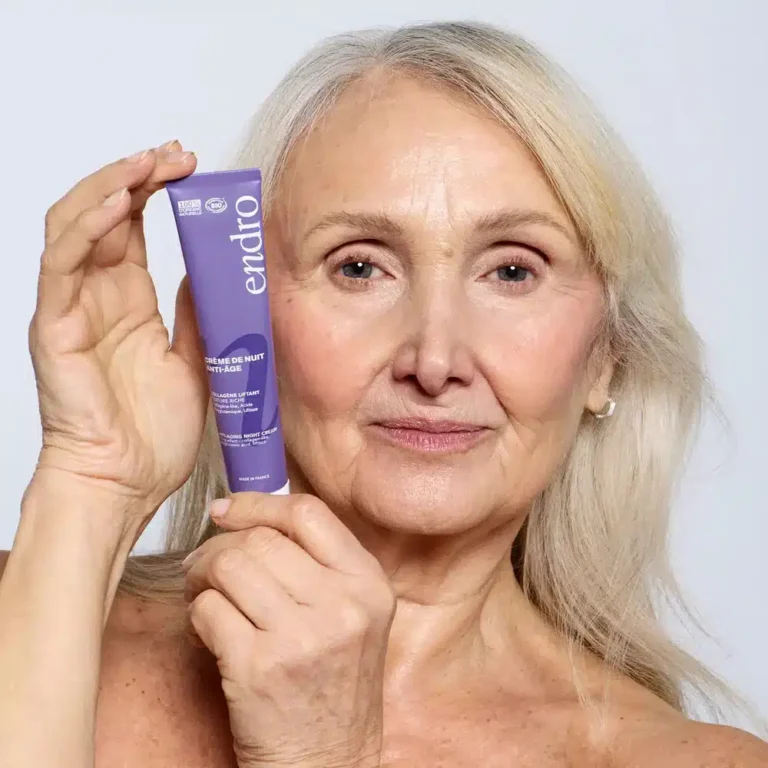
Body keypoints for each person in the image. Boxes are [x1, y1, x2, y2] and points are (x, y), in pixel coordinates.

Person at [0, 20, 765, 768]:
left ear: (605, 358)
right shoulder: (25, 608)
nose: (434, 360)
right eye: (359, 267)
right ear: (252, 316)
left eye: (512, 271)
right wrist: (92, 481)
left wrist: (318, 755)